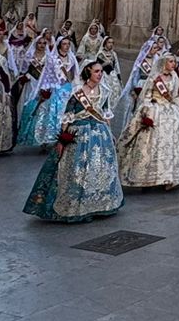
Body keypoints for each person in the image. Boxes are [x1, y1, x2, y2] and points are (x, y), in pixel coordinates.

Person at [24, 60, 124, 222]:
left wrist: (110, 133)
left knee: (100, 168)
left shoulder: (105, 91)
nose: (100, 74)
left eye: (100, 71)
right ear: (88, 73)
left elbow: (105, 115)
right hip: (80, 132)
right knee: (77, 169)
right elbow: (68, 115)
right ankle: (78, 205)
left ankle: (100, 203)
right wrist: (63, 137)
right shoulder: (77, 92)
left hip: (100, 134)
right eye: (96, 71)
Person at [118, 55, 179, 190]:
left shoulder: (174, 77)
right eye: (171, 61)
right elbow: (146, 97)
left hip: (171, 112)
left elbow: (175, 96)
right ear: (163, 63)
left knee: (171, 145)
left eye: (174, 62)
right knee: (152, 144)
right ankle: (149, 177)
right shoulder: (154, 78)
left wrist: (178, 105)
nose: (174, 64)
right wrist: (147, 110)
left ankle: (169, 177)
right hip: (156, 110)